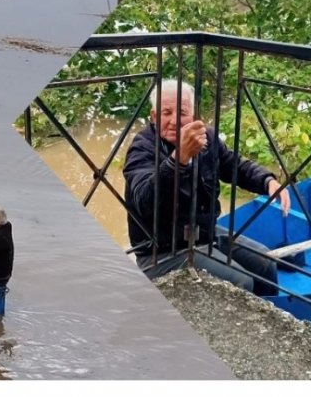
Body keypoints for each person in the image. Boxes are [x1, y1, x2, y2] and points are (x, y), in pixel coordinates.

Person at [122, 79, 291, 296]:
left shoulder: (207, 138)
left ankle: (270, 315)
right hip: (162, 250)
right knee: (241, 283)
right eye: (166, 113)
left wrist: (267, 181)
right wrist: (178, 160)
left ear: (193, 115)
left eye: (182, 112)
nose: (174, 121)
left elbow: (233, 165)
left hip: (203, 233)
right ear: (154, 117)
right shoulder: (141, 148)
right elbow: (144, 200)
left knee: (265, 263)